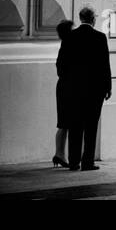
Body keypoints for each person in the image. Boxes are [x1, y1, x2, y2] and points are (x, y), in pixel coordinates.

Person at [62, 6, 112, 170]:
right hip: (94, 91)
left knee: (75, 125)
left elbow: (60, 63)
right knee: (91, 126)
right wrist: (108, 87)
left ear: (80, 18)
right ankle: (87, 161)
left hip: (74, 90)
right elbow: (105, 65)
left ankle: (74, 161)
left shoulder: (70, 37)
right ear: (93, 19)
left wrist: (67, 81)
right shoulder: (100, 37)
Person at [51, 18, 73, 168]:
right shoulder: (68, 46)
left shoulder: (64, 46)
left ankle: (60, 154)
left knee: (64, 123)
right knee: (66, 122)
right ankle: (60, 154)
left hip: (63, 87)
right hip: (68, 87)